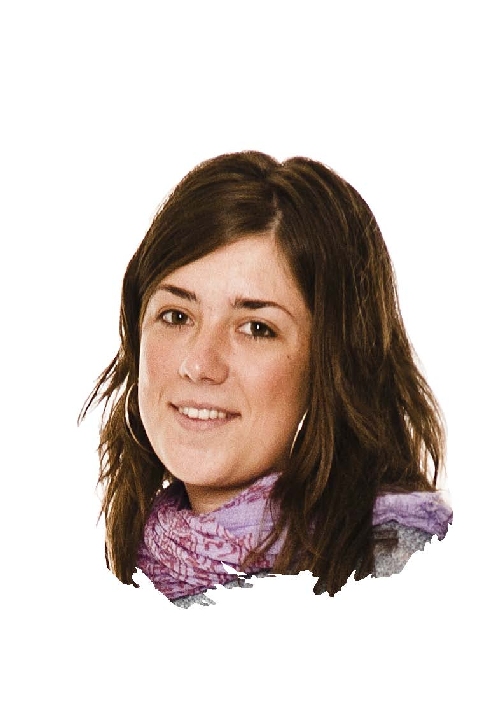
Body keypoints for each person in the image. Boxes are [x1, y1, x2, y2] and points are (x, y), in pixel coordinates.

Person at [79, 150, 452, 608]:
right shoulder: (142, 576)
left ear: (331, 365)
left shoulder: (409, 578)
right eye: (176, 316)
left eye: (257, 328)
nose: (200, 363)